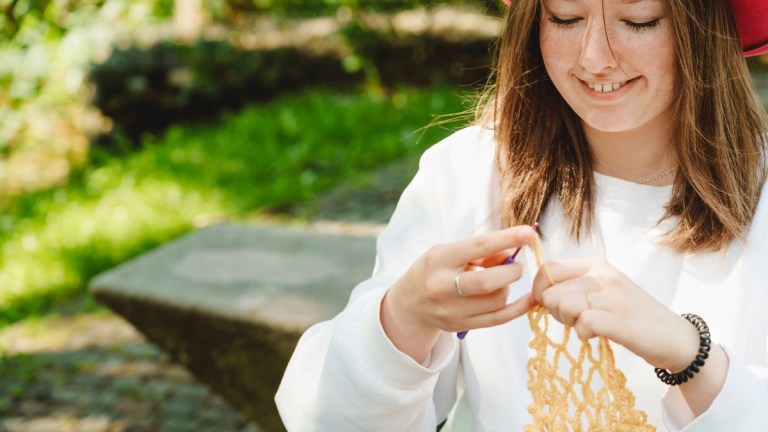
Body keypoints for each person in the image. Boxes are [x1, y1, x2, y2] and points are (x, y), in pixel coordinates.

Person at [275, 0, 768, 430]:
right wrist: (403, 317)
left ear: (707, 28)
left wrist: (691, 356)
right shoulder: (468, 174)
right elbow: (327, 419)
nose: (595, 57)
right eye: (565, 17)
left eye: (639, 21)